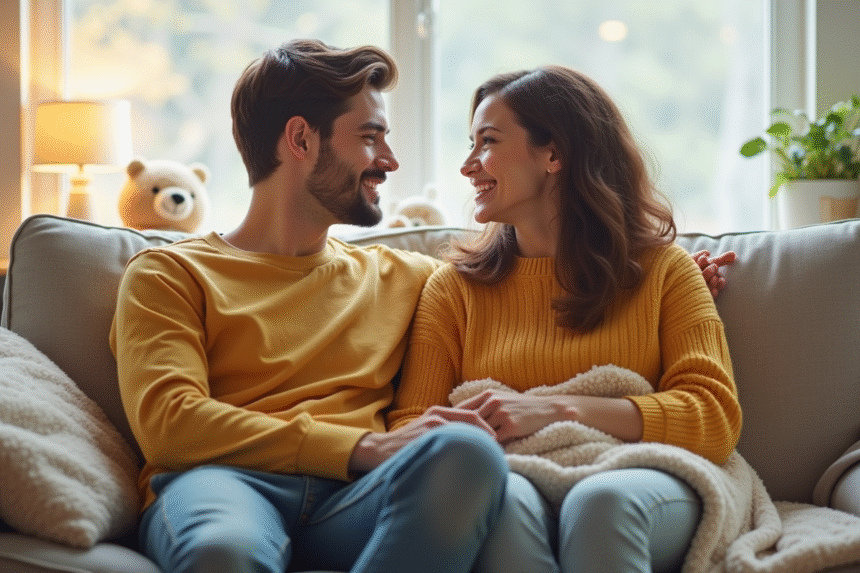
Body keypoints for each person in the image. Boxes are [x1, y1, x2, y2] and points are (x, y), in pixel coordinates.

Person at [109, 39, 511, 573]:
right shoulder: (169, 274)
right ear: (300, 139)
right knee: (224, 550)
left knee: (464, 453)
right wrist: (359, 446)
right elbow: (171, 423)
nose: (389, 160)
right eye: (370, 137)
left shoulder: (407, 277)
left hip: (357, 499)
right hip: (221, 482)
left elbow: (531, 289)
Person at [388, 66, 742, 573]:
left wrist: (558, 410)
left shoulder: (665, 271)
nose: (467, 166)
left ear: (554, 154)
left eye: (487, 142)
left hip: (641, 475)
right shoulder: (453, 289)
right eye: (470, 144)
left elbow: (714, 415)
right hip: (516, 474)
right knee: (498, 504)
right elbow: (412, 426)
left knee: (600, 503)